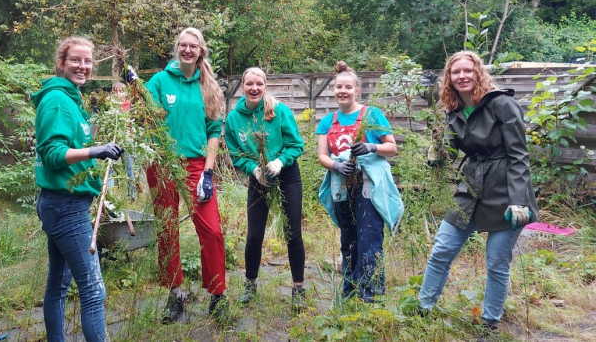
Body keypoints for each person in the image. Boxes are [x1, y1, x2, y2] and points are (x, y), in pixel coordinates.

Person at [419, 51, 539, 333]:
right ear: (449, 78)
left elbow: (519, 155)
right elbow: (449, 151)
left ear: (478, 73)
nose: (462, 76)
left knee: (497, 261)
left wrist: (519, 200)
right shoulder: (454, 111)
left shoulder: (502, 104)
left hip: (506, 190)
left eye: (468, 70)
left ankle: (490, 323)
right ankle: (423, 311)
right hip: (471, 186)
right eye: (455, 72)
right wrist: (436, 150)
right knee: (441, 249)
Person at [32, 36, 124, 342]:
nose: (82, 66)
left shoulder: (71, 99)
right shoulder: (57, 101)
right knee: (94, 290)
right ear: (61, 63)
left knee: (59, 285)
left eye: (87, 61)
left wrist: (99, 154)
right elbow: (52, 155)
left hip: (64, 204)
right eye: (75, 60)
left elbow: (73, 151)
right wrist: (94, 151)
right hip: (65, 207)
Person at [143, 27, 229, 324]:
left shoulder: (209, 87)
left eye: (193, 46)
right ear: (176, 48)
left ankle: (218, 296)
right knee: (168, 229)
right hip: (162, 164)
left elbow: (214, 131)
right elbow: (143, 113)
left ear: (200, 51)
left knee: (212, 230)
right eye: (183, 45)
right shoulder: (158, 81)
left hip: (196, 165)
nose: (187, 50)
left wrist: (208, 171)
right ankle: (175, 293)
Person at [316, 61, 403, 303]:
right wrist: (336, 165)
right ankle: (350, 290)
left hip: (368, 187)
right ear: (334, 90)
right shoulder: (328, 121)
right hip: (342, 185)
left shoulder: (372, 115)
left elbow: (392, 147)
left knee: (369, 239)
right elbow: (322, 155)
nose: (342, 91)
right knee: (349, 239)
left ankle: (371, 295)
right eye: (338, 87)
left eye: (348, 87)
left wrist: (371, 146)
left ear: (357, 90)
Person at [224, 67, 307, 312]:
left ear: (265, 86)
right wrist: (253, 169)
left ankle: (298, 288)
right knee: (254, 235)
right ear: (242, 87)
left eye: (259, 84)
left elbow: (295, 145)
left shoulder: (279, 111)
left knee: (292, 232)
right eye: (249, 84)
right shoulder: (233, 119)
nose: (254, 88)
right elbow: (236, 154)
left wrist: (280, 161)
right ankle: (250, 285)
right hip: (258, 177)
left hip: (286, 174)